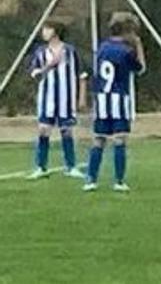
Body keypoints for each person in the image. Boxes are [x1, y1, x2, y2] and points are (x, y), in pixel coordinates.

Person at [84, 12, 145, 192]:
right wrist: (139, 46)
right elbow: (140, 69)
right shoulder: (126, 51)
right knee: (120, 139)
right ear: (128, 32)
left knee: (98, 140)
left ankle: (91, 180)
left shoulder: (102, 48)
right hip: (119, 99)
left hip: (102, 99)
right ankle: (118, 181)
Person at [26, 21, 88, 180]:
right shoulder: (40, 52)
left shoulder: (71, 51)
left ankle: (71, 166)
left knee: (66, 130)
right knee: (43, 130)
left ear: (55, 31)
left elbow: (82, 75)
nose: (43, 32)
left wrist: (82, 98)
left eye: (46, 29)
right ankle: (41, 166)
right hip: (47, 99)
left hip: (66, 99)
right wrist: (50, 65)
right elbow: (35, 75)